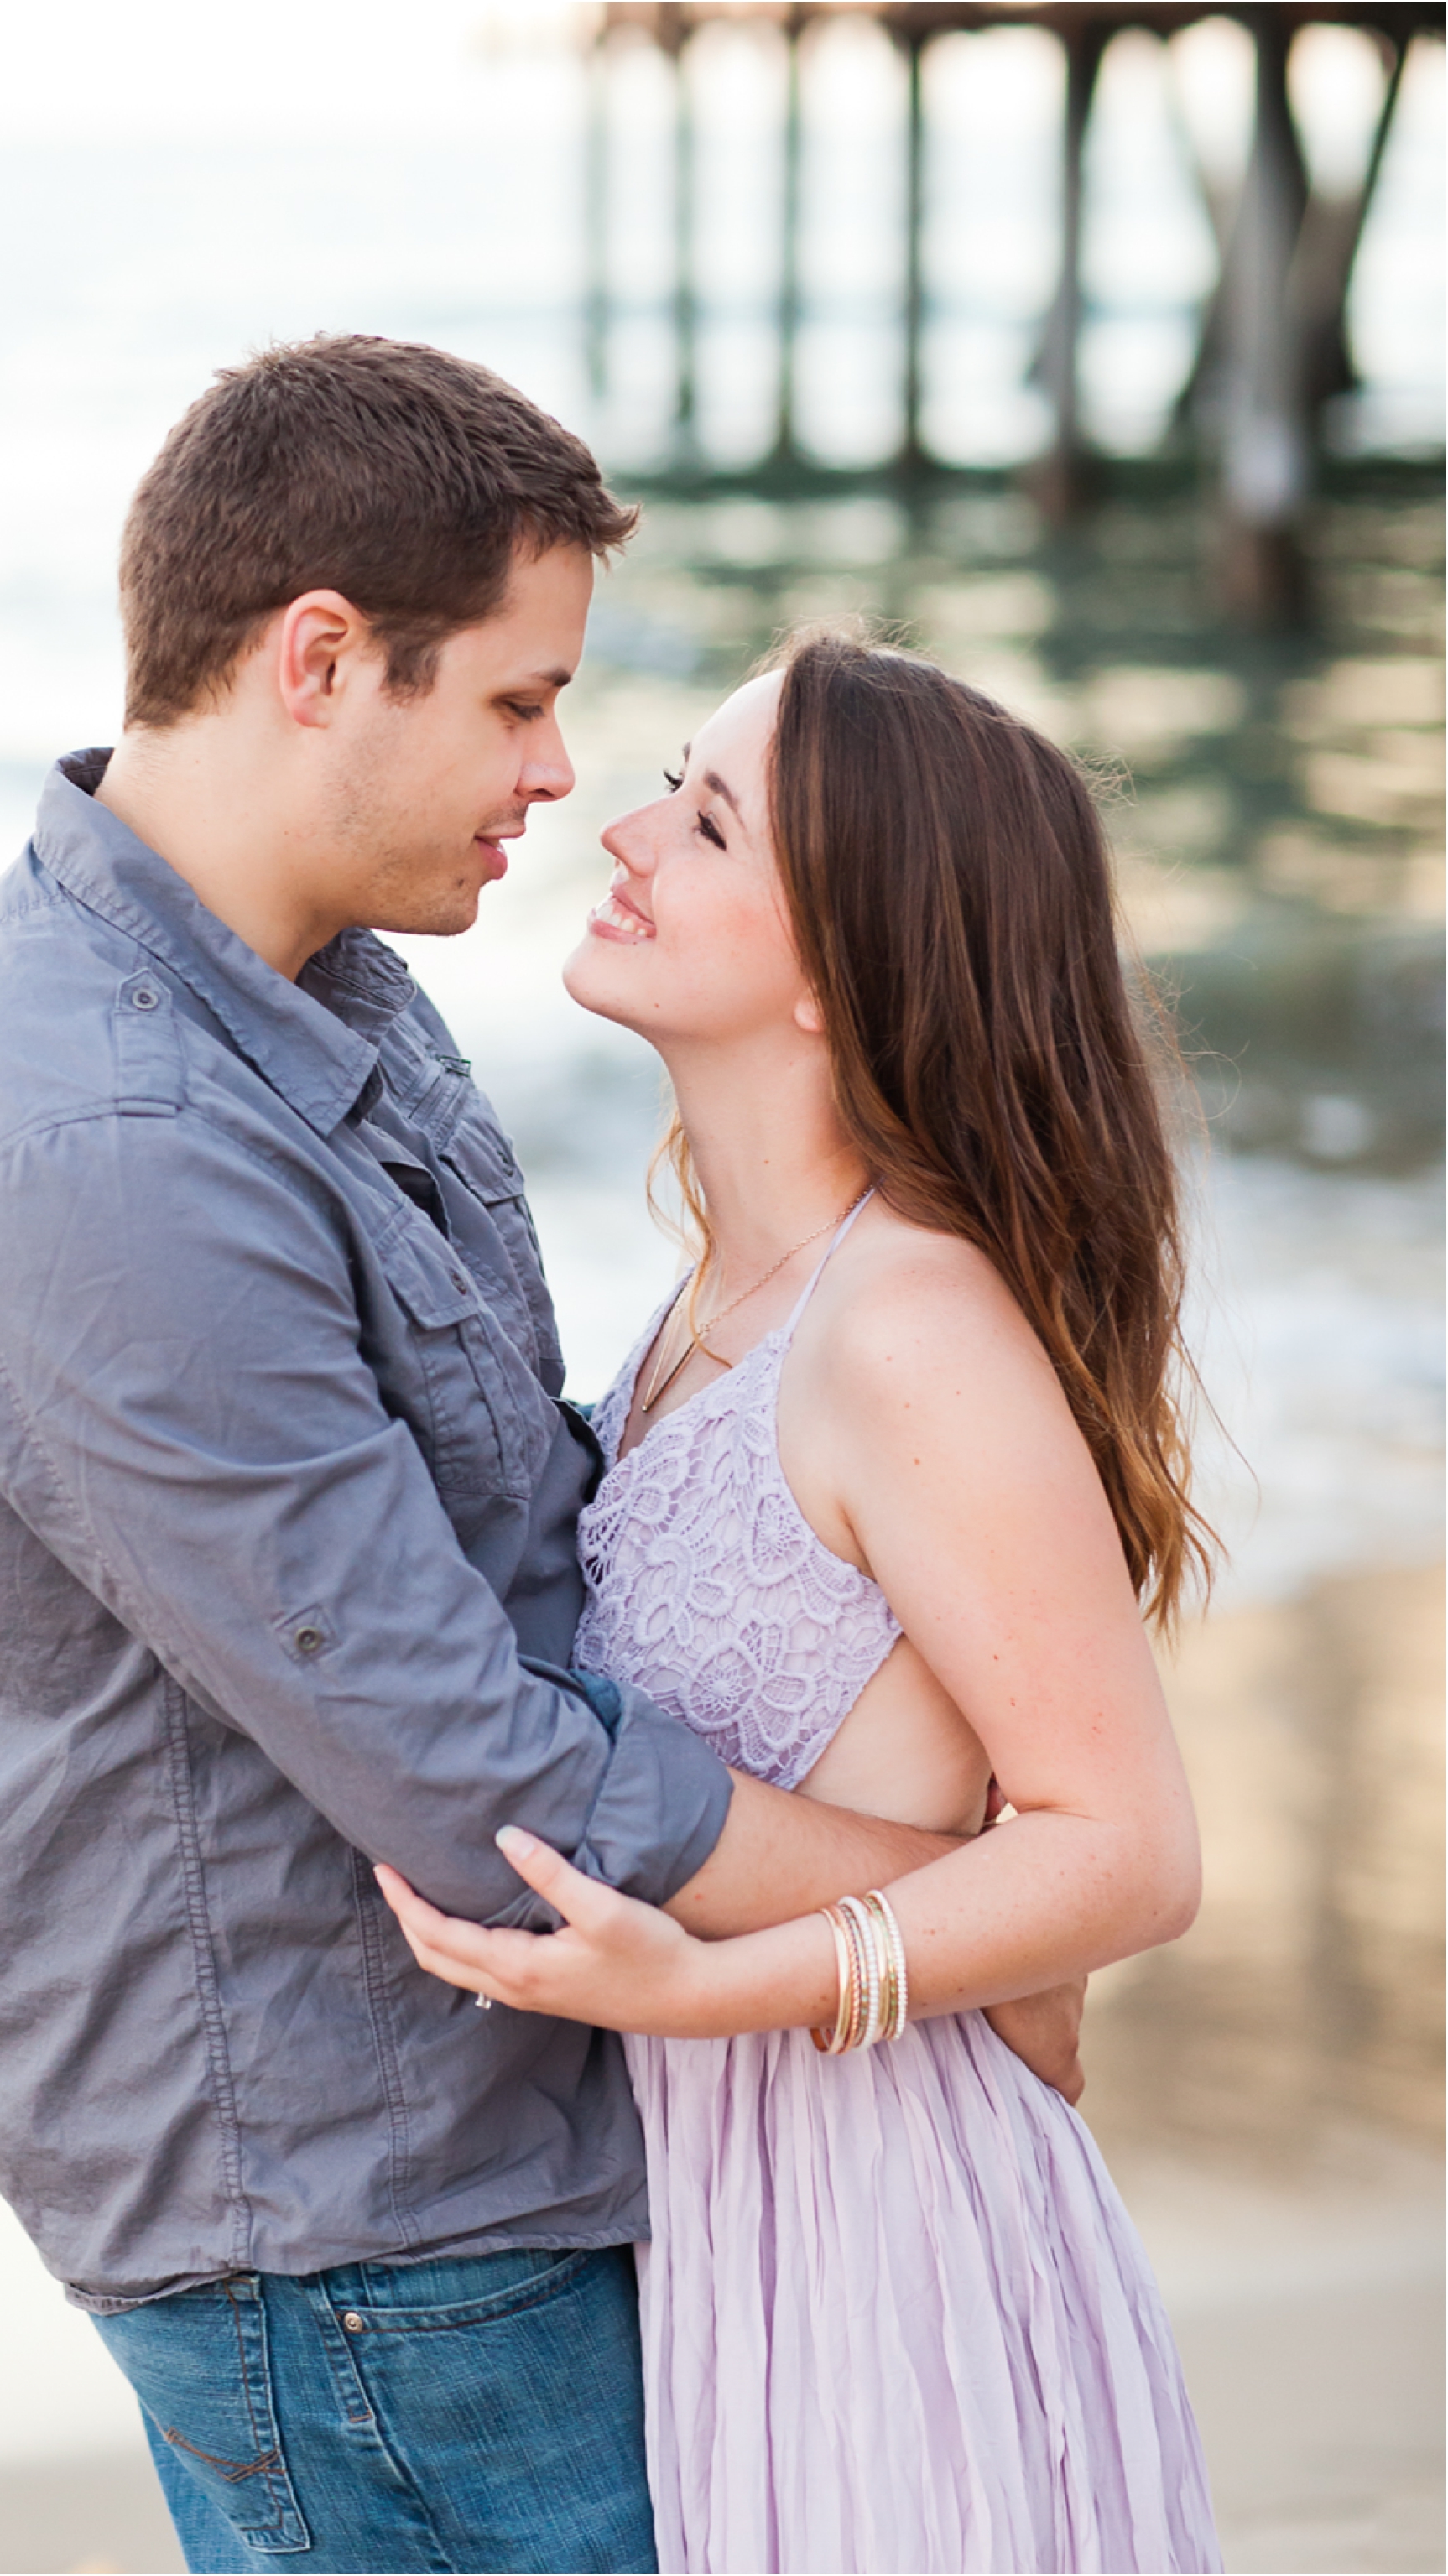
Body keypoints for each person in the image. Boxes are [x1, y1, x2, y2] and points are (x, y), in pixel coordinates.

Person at [0, 339, 1087, 2576]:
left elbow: (537, 1504)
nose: (564, 771)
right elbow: (465, 1765)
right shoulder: (110, 1139)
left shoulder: (312, 984)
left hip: (494, 2163)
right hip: (358, 2225)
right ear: (322, 659)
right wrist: (973, 1912)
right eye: (517, 700)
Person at [378, 636, 1225, 2573]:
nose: (620, 827)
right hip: (732, 2205)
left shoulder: (908, 1323)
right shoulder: (715, 1302)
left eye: (704, 816)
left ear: (839, 967)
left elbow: (1127, 1847)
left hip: (878, 2219)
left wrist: (713, 1989)